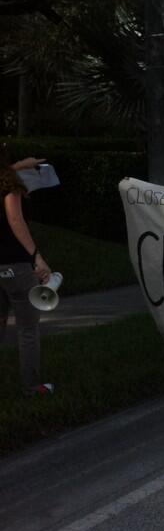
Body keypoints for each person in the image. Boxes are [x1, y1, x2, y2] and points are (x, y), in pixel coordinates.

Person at [0, 148, 53, 397]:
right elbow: (15, 221)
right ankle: (32, 387)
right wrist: (37, 258)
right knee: (28, 328)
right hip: (15, 266)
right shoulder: (9, 186)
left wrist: (21, 165)